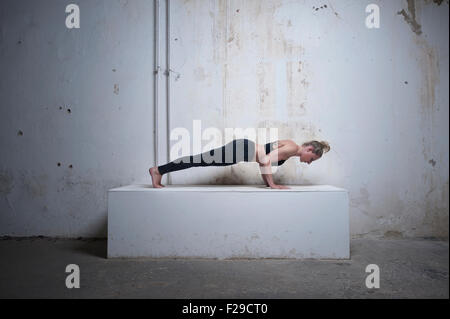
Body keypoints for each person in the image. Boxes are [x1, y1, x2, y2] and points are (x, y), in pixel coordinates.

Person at [149, 138, 330, 189]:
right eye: (312, 159)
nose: (309, 163)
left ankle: (160, 170)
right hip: (242, 149)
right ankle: (158, 170)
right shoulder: (291, 148)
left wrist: (269, 184)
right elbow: (265, 159)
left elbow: (263, 157)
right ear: (309, 150)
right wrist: (272, 184)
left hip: (243, 148)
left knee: (200, 160)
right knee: (199, 160)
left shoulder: (290, 145)